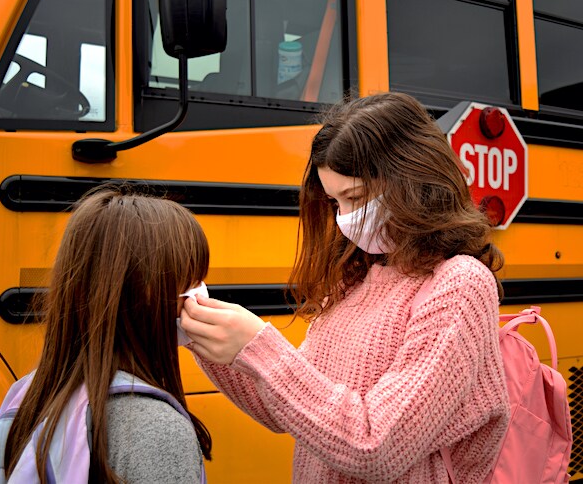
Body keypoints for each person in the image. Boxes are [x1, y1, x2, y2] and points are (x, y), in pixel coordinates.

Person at [181, 92, 510, 483]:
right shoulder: (353, 281)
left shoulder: (460, 285)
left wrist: (260, 348)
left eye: (355, 197)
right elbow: (288, 410)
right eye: (336, 203)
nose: (346, 219)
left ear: (413, 177)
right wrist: (202, 331)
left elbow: (376, 445)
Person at [0, 187, 211, 483]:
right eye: (193, 280)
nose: (202, 297)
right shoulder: (155, 429)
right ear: (149, 294)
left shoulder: (26, 401)